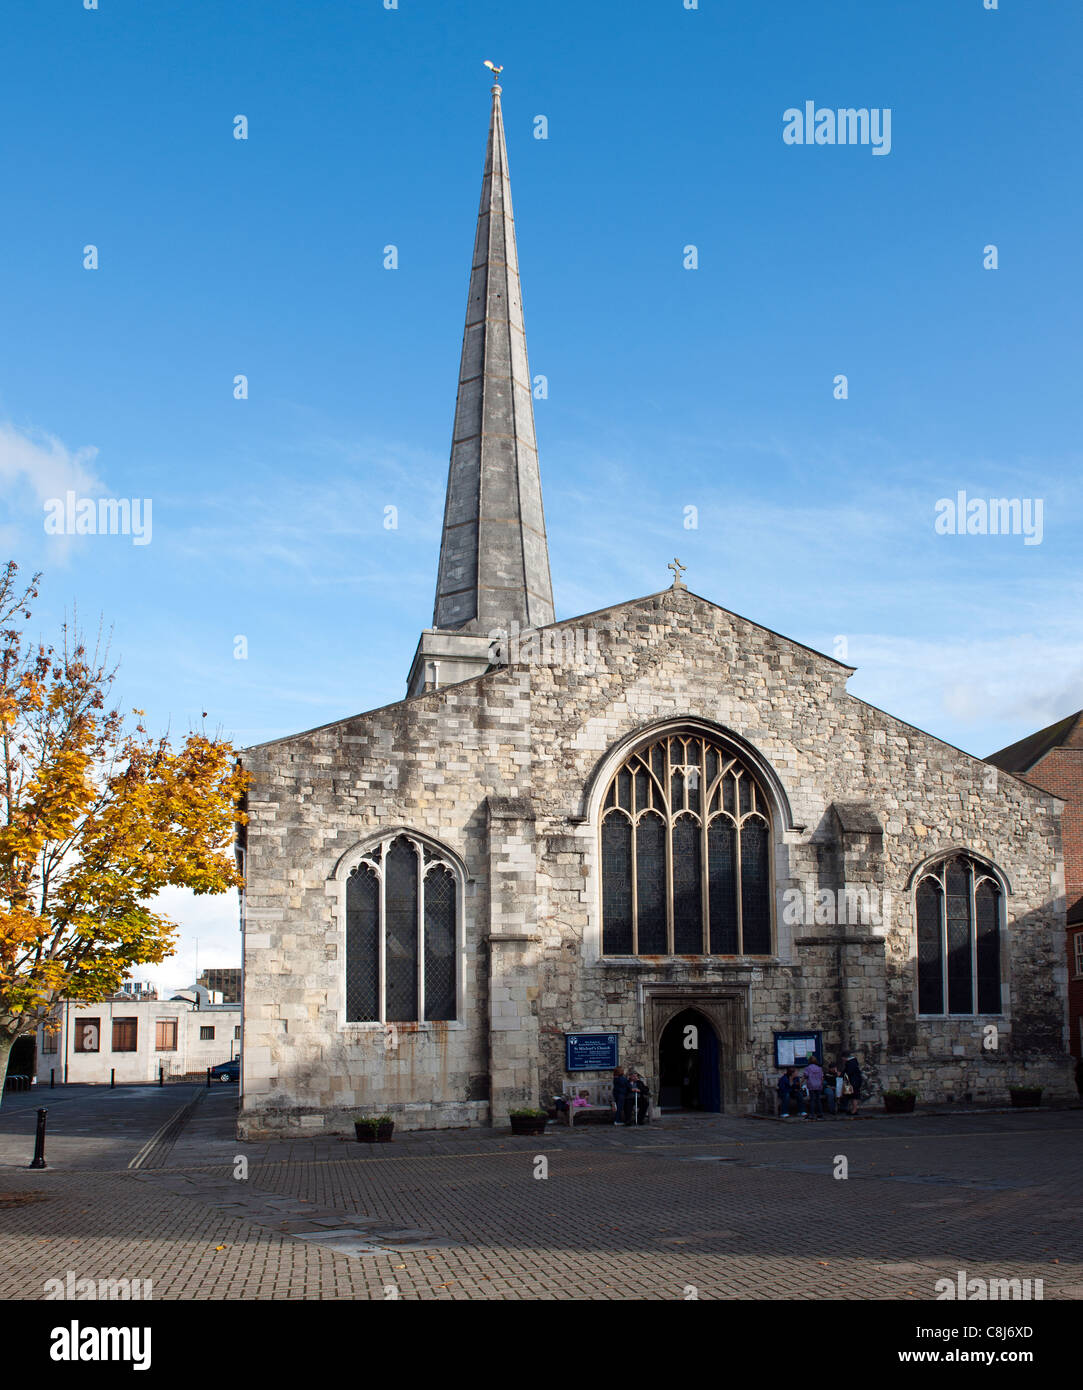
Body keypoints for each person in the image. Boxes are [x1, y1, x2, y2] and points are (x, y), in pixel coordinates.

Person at [805, 1055, 825, 1120]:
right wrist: (821, 1084)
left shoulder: (808, 1068)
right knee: (818, 1100)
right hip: (818, 1085)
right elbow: (822, 1078)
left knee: (812, 1100)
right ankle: (820, 1113)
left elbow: (805, 1075)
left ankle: (812, 1114)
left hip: (811, 1085)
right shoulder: (819, 1068)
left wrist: (801, 1083)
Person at [843, 1052, 863, 1117]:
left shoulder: (850, 1063)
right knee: (852, 1096)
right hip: (855, 1081)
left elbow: (848, 1072)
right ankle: (853, 1109)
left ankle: (854, 1110)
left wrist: (842, 1075)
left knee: (854, 1096)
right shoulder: (853, 1062)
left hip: (853, 1082)